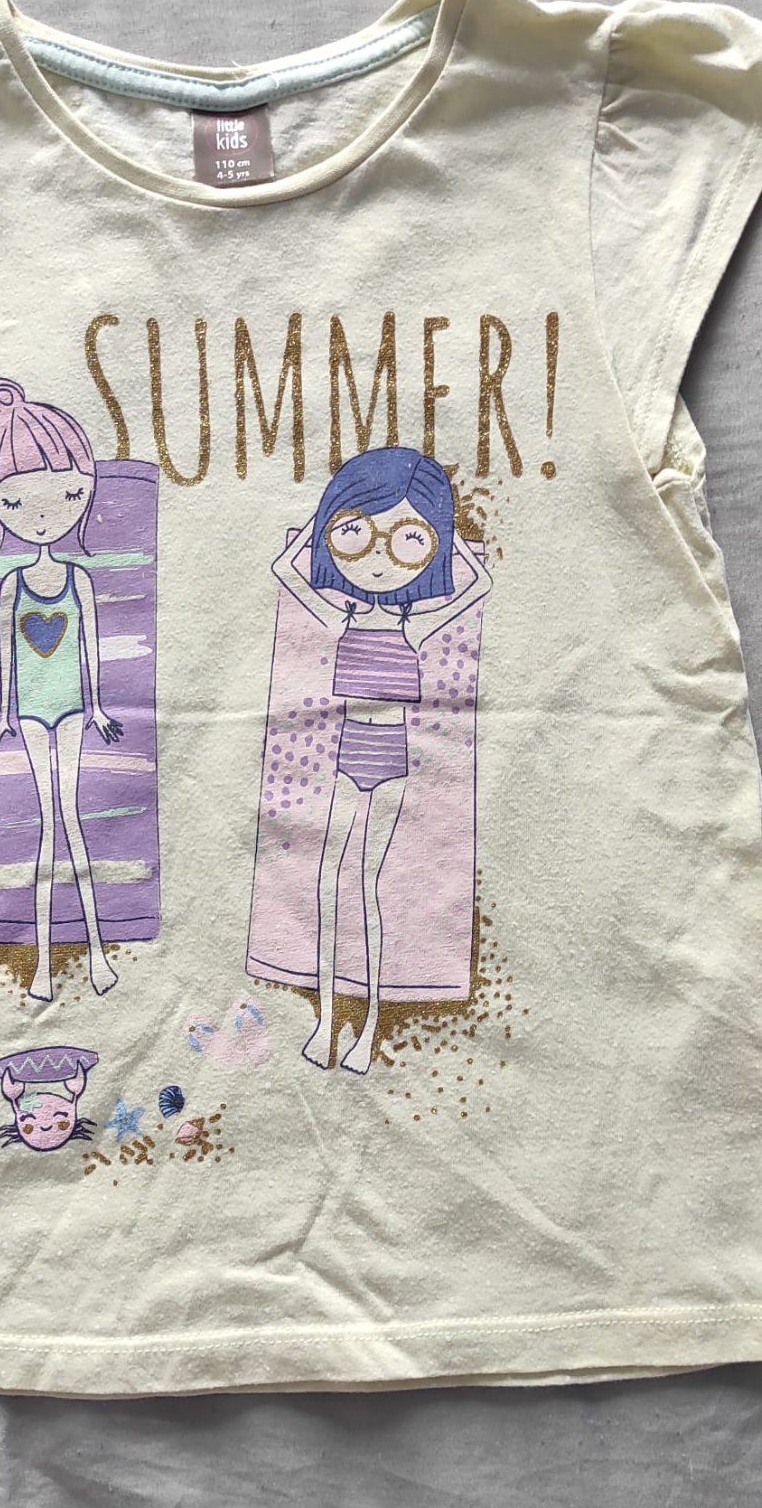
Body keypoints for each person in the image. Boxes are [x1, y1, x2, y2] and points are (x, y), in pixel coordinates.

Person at [271, 448, 493, 1074]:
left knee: (365, 887)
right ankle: (325, 1020)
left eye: (405, 541)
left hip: (389, 756)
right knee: (327, 882)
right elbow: (285, 568)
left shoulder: (412, 627)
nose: (377, 557)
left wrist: (440, 538)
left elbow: (478, 583)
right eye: (357, 534)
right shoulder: (339, 617)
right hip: (348, 753)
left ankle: (366, 1026)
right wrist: (323, 528)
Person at [0, 377, 123, 1002]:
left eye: (67, 493)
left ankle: (97, 954)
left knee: (74, 823)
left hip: (73, 709)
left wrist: (99, 707)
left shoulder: (80, 579)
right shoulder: (13, 586)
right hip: (31, 712)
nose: (41, 514)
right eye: (15, 502)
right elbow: (7, 658)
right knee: (48, 828)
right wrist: (4, 716)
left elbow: (90, 650)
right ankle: (41, 965)